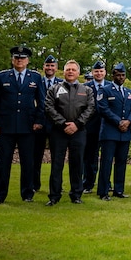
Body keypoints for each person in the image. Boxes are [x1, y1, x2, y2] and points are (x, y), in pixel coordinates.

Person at [0, 45, 46, 204]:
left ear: (27, 60)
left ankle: (27, 194)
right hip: (6, 126)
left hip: (28, 126)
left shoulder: (35, 77)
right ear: (12, 59)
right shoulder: (2, 76)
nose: (19, 60)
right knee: (3, 163)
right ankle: (0, 195)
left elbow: (41, 102)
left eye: (22, 58)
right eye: (16, 58)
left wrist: (38, 121)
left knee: (28, 162)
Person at [45, 59, 95, 205]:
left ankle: (76, 195)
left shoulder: (86, 90)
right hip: (58, 132)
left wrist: (77, 124)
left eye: (73, 70)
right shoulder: (54, 89)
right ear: (64, 71)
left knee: (77, 163)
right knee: (56, 164)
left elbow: (90, 108)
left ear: (78, 73)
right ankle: (54, 196)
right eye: (68, 70)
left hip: (78, 132)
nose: (71, 72)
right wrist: (62, 123)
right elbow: (48, 107)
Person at [96, 63, 131, 200]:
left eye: (123, 75)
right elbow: (103, 109)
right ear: (112, 76)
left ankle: (119, 190)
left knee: (121, 162)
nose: (120, 77)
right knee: (106, 163)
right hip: (110, 132)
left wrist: (128, 122)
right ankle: (103, 191)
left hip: (124, 133)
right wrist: (119, 121)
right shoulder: (105, 90)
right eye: (118, 75)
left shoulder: (129, 92)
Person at [33, 54, 63, 192]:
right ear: (43, 67)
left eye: (52, 66)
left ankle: (56, 186)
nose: (50, 68)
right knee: (36, 156)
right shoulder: (36, 81)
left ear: (56, 68)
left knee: (57, 157)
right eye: (47, 65)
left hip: (56, 125)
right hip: (39, 124)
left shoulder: (62, 83)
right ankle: (34, 185)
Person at [82, 60, 107, 194]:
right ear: (93, 72)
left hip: (108, 127)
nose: (98, 73)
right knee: (90, 157)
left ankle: (106, 184)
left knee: (107, 158)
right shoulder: (85, 87)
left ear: (105, 72)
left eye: (101, 71)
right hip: (90, 127)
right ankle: (88, 184)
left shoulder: (110, 86)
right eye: (96, 71)